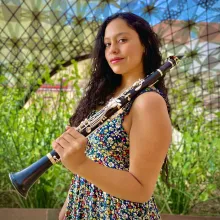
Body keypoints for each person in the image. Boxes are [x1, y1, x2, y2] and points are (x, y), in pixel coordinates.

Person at [53, 12, 172, 220]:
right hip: (85, 208)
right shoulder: (105, 98)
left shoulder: (147, 102)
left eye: (122, 40)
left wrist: (80, 164)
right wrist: (67, 210)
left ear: (145, 44)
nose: (113, 49)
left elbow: (141, 190)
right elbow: (90, 164)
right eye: (107, 44)